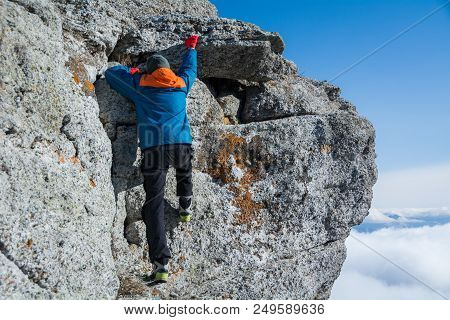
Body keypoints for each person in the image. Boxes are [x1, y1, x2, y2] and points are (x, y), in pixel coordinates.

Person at [105, 35, 199, 283]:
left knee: (154, 202)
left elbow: (113, 75)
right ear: (168, 69)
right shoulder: (181, 84)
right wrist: (191, 48)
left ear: (150, 70)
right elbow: (191, 68)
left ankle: (161, 263)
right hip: (181, 144)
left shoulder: (140, 84)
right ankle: (185, 203)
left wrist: (132, 70)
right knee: (184, 168)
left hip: (154, 148)